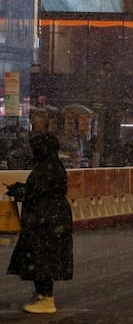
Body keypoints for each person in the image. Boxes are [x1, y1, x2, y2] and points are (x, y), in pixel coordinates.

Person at [6, 133, 73, 314]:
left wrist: (20, 191)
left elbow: (37, 191)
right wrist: (22, 188)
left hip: (45, 220)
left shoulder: (45, 168)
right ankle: (42, 295)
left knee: (42, 256)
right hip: (50, 219)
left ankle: (46, 298)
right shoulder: (52, 165)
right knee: (42, 256)